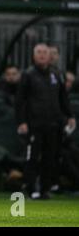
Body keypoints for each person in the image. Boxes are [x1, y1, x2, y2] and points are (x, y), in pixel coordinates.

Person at [16, 43, 76, 199]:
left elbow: (63, 98)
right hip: (34, 124)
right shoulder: (28, 75)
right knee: (33, 157)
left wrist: (69, 116)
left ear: (50, 56)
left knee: (50, 158)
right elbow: (20, 100)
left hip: (53, 124)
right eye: (39, 52)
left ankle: (44, 189)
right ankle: (31, 188)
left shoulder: (56, 74)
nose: (42, 55)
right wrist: (22, 121)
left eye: (45, 52)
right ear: (33, 55)